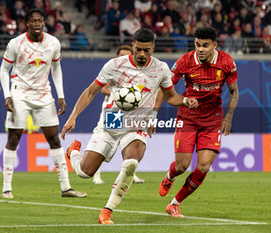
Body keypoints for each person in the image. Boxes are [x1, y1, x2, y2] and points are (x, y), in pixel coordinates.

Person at [61, 28, 198, 224]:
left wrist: (185, 101)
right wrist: (73, 116)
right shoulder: (115, 65)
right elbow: (91, 91)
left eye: (147, 50)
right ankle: (73, 153)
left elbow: (171, 96)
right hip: (112, 120)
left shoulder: (161, 69)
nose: (142, 54)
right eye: (139, 49)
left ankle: (107, 211)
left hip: (137, 124)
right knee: (85, 172)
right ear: (133, 45)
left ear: (153, 48)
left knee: (131, 163)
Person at [0, 9, 87, 199]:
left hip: (44, 94)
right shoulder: (16, 44)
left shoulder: (53, 43)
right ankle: (7, 188)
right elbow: (4, 69)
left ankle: (66, 188)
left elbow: (56, 68)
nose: (37, 24)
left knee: (54, 138)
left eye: (40, 21)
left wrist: (61, 95)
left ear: (44, 22)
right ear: (27, 23)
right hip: (20, 93)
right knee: (14, 138)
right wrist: (8, 95)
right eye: (33, 21)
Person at [158, 26, 239, 217]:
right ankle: (169, 176)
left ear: (214, 46)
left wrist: (229, 117)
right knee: (181, 166)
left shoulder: (227, 62)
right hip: (188, 117)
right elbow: (166, 87)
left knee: (203, 167)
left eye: (205, 45)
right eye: (197, 45)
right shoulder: (185, 61)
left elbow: (235, 92)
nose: (200, 49)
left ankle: (174, 204)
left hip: (212, 120)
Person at [93, 45, 145, 185]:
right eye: (121, 55)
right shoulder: (113, 71)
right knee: (107, 145)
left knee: (129, 142)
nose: (124, 58)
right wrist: (122, 95)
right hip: (113, 112)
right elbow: (103, 89)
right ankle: (96, 175)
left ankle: (131, 175)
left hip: (130, 112)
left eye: (126, 55)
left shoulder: (136, 73)